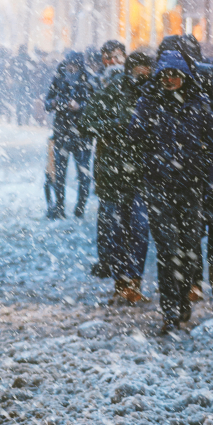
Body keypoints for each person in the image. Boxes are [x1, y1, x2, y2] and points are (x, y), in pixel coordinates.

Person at [127, 49, 213, 334]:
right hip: (159, 185)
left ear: (184, 76)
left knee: (189, 246)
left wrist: (211, 178)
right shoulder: (149, 102)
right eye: (165, 75)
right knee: (168, 249)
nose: (169, 80)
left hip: (190, 187)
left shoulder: (199, 103)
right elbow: (134, 138)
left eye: (174, 75)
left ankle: (183, 302)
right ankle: (170, 311)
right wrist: (150, 161)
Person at [157, 33, 213, 301]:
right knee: (208, 219)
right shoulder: (208, 75)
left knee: (197, 222)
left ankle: (200, 277)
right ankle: (211, 272)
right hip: (207, 159)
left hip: (202, 160)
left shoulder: (195, 80)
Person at [80, 51, 153, 304]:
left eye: (146, 70)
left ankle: (134, 281)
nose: (142, 76)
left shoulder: (154, 94)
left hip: (143, 176)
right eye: (138, 70)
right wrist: (119, 125)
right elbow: (86, 123)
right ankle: (121, 281)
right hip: (112, 174)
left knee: (140, 230)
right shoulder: (115, 91)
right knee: (115, 231)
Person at [85, 39, 128, 277]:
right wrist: (111, 127)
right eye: (108, 57)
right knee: (107, 212)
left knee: (125, 214)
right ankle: (106, 258)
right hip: (106, 160)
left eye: (116, 56)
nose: (112, 62)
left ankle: (122, 261)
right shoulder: (97, 84)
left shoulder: (132, 83)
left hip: (129, 161)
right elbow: (87, 122)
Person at [44, 50, 93, 218]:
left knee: (83, 175)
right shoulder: (59, 78)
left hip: (82, 134)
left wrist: (80, 107)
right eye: (69, 65)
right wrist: (55, 103)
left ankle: (79, 209)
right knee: (59, 173)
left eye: (73, 65)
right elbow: (47, 102)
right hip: (61, 132)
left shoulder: (88, 80)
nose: (70, 68)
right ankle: (59, 207)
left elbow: (95, 107)